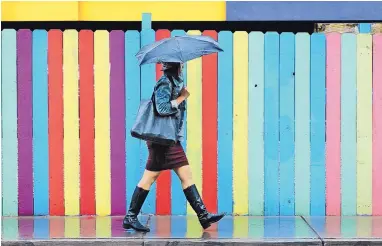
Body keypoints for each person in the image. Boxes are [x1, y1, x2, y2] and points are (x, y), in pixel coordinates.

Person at [123, 62, 225, 232]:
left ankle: (203, 216)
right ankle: (130, 217)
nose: (183, 67)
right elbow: (162, 108)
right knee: (150, 177)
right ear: (175, 66)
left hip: (169, 140)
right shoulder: (165, 82)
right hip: (162, 141)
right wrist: (181, 97)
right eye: (181, 65)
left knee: (185, 174)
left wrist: (180, 94)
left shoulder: (174, 82)